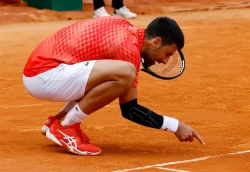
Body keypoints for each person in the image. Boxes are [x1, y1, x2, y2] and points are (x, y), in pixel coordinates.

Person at [23, 16, 205, 156]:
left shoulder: (125, 29)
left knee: (108, 73)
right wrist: (175, 126)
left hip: (43, 72)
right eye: (167, 54)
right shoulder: (127, 47)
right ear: (156, 42)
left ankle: (59, 121)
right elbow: (130, 110)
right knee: (125, 72)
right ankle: (66, 127)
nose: (165, 61)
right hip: (44, 76)